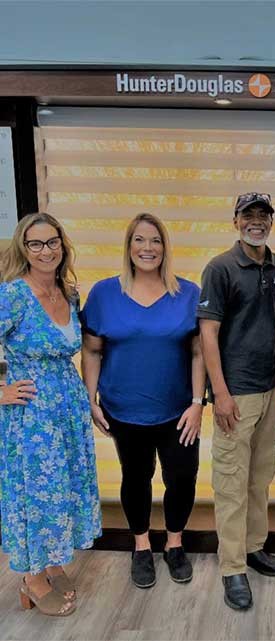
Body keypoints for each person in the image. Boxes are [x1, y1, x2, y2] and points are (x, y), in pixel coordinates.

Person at [81, 212, 205, 589]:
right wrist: (91, 401)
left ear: (165, 247)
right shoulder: (104, 294)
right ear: (128, 246)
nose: (147, 248)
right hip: (124, 409)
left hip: (179, 409)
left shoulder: (188, 294)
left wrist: (199, 402)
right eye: (139, 240)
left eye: (155, 240)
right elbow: (91, 351)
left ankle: (174, 542)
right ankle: (141, 547)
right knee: (136, 478)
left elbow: (199, 352)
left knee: (182, 477)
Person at [0, 212, 101, 616]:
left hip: (68, 409)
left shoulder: (69, 292)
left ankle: (53, 559)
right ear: (23, 249)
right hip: (33, 415)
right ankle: (32, 578)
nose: (46, 251)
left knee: (64, 488)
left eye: (53, 242)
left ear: (63, 245)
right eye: (36, 243)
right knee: (37, 494)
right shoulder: (12, 296)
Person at [198, 192, 275, 611]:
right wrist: (218, 393)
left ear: (271, 221)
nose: (257, 222)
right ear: (235, 221)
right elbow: (208, 334)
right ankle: (232, 567)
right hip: (234, 394)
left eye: (263, 216)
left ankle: (254, 548)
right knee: (232, 483)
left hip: (271, 389)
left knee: (260, 476)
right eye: (248, 215)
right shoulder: (220, 268)